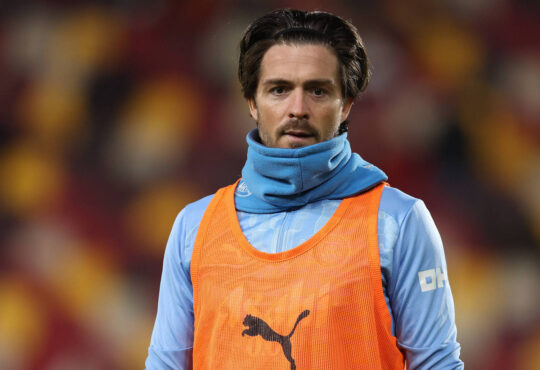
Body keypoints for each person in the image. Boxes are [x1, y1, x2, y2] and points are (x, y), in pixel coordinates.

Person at [145, 8, 463, 370]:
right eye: (279, 89)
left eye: (317, 90)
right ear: (252, 102)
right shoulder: (194, 228)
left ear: (345, 105)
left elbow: (437, 364)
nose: (298, 108)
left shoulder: (397, 222)